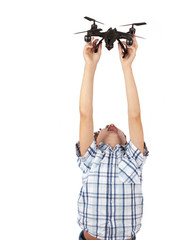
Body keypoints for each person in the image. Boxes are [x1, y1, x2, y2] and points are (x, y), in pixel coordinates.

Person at [75, 35, 149, 240]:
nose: (111, 126)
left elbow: (135, 116)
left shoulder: (133, 159)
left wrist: (127, 66)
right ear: (94, 141)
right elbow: (85, 114)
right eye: (105, 128)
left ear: (128, 142)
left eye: (114, 128)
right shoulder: (91, 158)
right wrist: (89, 66)